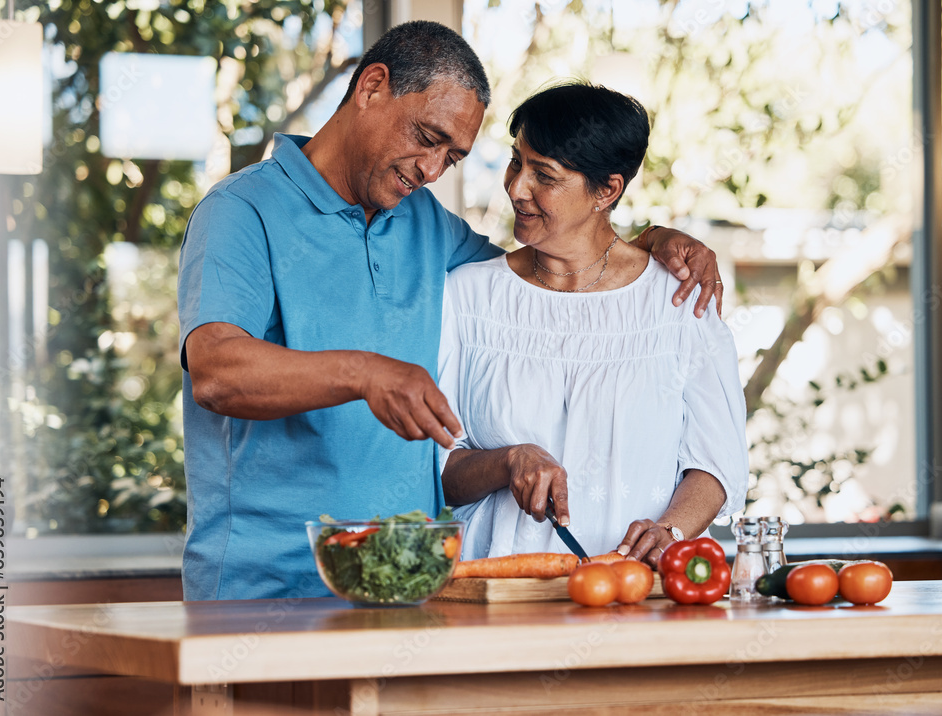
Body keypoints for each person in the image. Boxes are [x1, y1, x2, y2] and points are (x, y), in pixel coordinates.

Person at [177, 21, 722, 600]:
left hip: (404, 584)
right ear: (372, 87)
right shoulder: (241, 212)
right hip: (267, 586)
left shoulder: (422, 223)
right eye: (427, 136)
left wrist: (654, 241)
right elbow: (217, 372)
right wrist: (367, 374)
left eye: (452, 157)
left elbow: (549, 271)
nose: (433, 170)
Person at [438, 83, 748, 569]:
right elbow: (438, 474)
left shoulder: (680, 299)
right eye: (517, 161)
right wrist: (507, 460)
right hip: (494, 589)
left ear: (607, 190)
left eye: (546, 175)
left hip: (634, 589)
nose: (517, 187)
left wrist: (671, 530)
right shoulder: (466, 295)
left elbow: (715, 463)